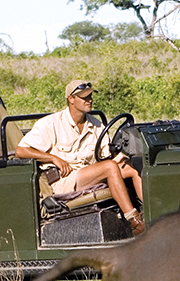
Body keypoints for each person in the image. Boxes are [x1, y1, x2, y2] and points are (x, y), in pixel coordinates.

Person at [16, 78, 146, 235]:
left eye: (90, 96)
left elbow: (106, 157)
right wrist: (53, 158)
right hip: (63, 180)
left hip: (89, 173)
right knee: (110, 168)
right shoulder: (50, 124)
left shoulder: (96, 124)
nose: (89, 100)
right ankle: (134, 221)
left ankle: (150, 214)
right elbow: (21, 151)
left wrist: (123, 155)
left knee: (131, 166)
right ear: (71, 99)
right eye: (84, 97)